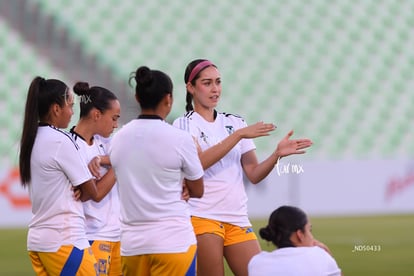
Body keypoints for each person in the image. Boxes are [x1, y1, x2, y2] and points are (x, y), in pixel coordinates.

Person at [172, 59, 313, 276]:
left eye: (218, 82)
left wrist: (276, 154)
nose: (215, 89)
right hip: (202, 216)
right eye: (207, 83)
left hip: (237, 217)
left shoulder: (236, 122)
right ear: (190, 88)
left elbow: (254, 174)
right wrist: (237, 136)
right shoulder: (184, 123)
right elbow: (196, 164)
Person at [109, 66, 204, 276]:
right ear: (168, 99)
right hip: (174, 242)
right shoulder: (181, 139)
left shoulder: (118, 139)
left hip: (132, 245)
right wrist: (183, 183)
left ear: (137, 97)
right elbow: (198, 190)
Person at [19, 76, 116, 275]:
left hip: (39, 240)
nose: (72, 112)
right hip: (64, 239)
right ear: (56, 109)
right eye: (70, 106)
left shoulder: (31, 138)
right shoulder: (60, 141)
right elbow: (92, 193)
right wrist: (119, 166)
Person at [70, 81, 122, 276]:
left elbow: (131, 154)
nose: (116, 125)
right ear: (96, 114)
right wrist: (118, 165)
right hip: (93, 235)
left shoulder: (105, 141)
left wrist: (103, 159)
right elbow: (95, 194)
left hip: (118, 235)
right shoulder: (72, 146)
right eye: (114, 118)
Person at [248, 205, 342, 275]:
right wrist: (328, 255)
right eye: (309, 230)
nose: (312, 237)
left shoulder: (256, 262)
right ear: (300, 234)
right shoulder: (320, 256)